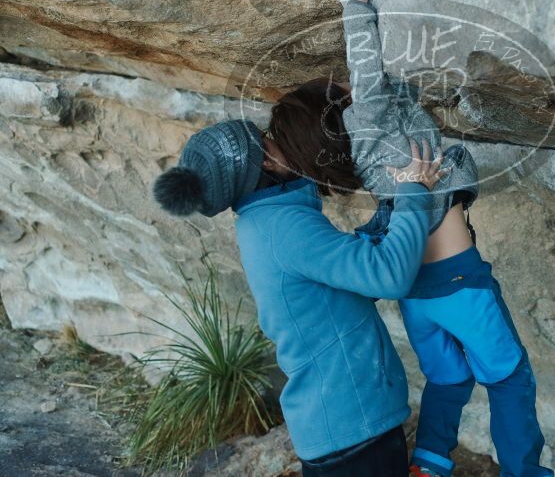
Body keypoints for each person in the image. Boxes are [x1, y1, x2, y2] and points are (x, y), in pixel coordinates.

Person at [152, 78, 448, 475]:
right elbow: (389, 276)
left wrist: (384, 220)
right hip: (351, 430)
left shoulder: (265, 222)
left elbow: (333, 280)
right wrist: (413, 191)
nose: (279, 139)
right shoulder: (286, 227)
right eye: (269, 139)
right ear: (269, 164)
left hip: (338, 427)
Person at [341, 0, 555, 477]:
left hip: (417, 296)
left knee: (449, 381)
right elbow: (365, 69)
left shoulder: (373, 151)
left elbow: (389, 83)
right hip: (460, 284)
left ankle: (429, 467)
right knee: (510, 379)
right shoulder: (372, 117)